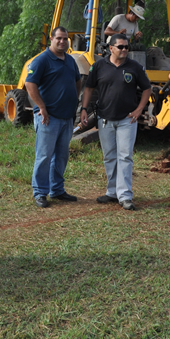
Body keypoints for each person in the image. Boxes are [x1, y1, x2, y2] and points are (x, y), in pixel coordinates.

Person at [80, 34, 152, 211]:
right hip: (105, 119)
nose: (125, 50)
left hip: (127, 120)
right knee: (109, 156)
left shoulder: (134, 67)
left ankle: (125, 196)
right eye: (120, 47)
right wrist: (83, 109)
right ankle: (112, 192)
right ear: (111, 48)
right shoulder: (98, 66)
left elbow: (147, 88)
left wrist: (139, 110)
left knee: (125, 156)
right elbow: (89, 88)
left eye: (126, 47)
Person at [24, 26, 81, 208]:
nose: (62, 42)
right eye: (59, 38)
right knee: (44, 156)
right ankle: (40, 192)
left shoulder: (70, 60)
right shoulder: (42, 60)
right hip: (48, 118)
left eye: (65, 39)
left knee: (61, 156)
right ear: (51, 38)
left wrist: (74, 100)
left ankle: (57, 189)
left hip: (66, 118)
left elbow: (77, 81)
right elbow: (29, 83)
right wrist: (41, 106)